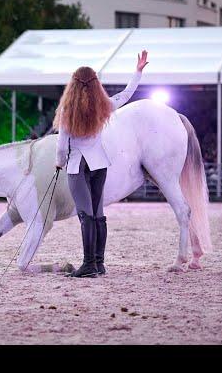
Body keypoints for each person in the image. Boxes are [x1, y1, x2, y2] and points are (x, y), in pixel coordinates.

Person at [54, 50, 149, 278]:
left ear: (73, 85)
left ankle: (88, 265)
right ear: (96, 84)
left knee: (85, 214)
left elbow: (61, 144)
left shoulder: (68, 111)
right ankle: (98, 263)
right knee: (98, 213)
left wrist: (59, 163)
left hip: (78, 166)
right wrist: (137, 72)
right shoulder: (103, 105)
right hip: (99, 165)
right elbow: (126, 95)